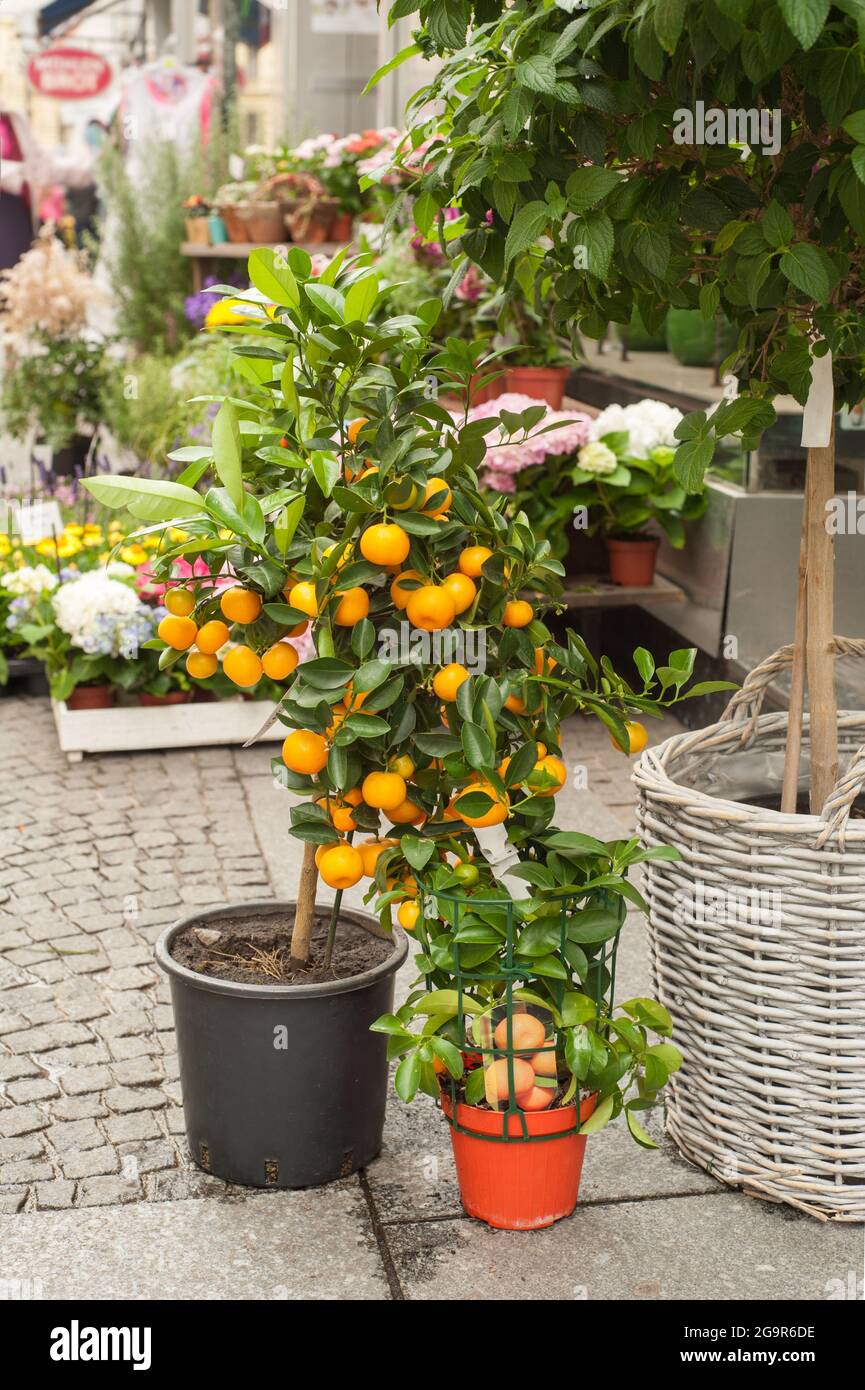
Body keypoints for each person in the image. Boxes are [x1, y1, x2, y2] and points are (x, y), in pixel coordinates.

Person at [0, 110, 94, 270]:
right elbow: (30, 171)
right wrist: (20, 174)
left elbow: (43, 166)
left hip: (19, 217)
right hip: (7, 212)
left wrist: (91, 171)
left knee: (18, 279)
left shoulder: (13, 117)